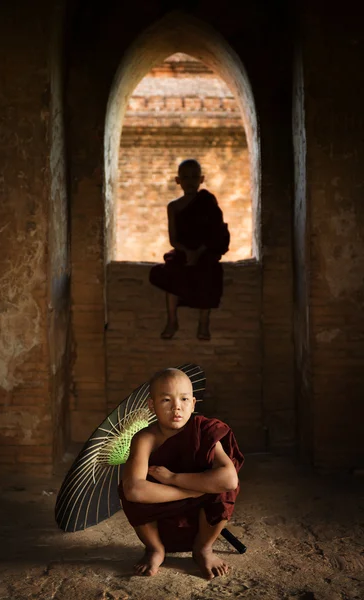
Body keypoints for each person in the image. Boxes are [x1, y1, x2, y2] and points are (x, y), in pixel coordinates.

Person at [118, 368, 244, 580]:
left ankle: (203, 549)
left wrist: (173, 478)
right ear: (152, 405)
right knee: (126, 489)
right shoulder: (145, 438)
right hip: (161, 513)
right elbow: (134, 490)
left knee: (224, 492)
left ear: (193, 404)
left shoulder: (205, 431)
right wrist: (190, 491)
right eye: (166, 400)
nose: (177, 407)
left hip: (201, 518)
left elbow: (229, 479)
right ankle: (155, 549)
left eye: (184, 399)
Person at [149, 159, 230, 341]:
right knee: (171, 273)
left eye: (194, 177)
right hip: (183, 252)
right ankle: (171, 320)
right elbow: (173, 239)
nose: (190, 181)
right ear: (178, 180)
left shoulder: (207, 201)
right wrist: (187, 253)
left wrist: (199, 252)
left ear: (201, 179)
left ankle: (203, 321)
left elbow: (215, 231)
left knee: (209, 272)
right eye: (185, 177)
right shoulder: (174, 207)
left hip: (206, 250)